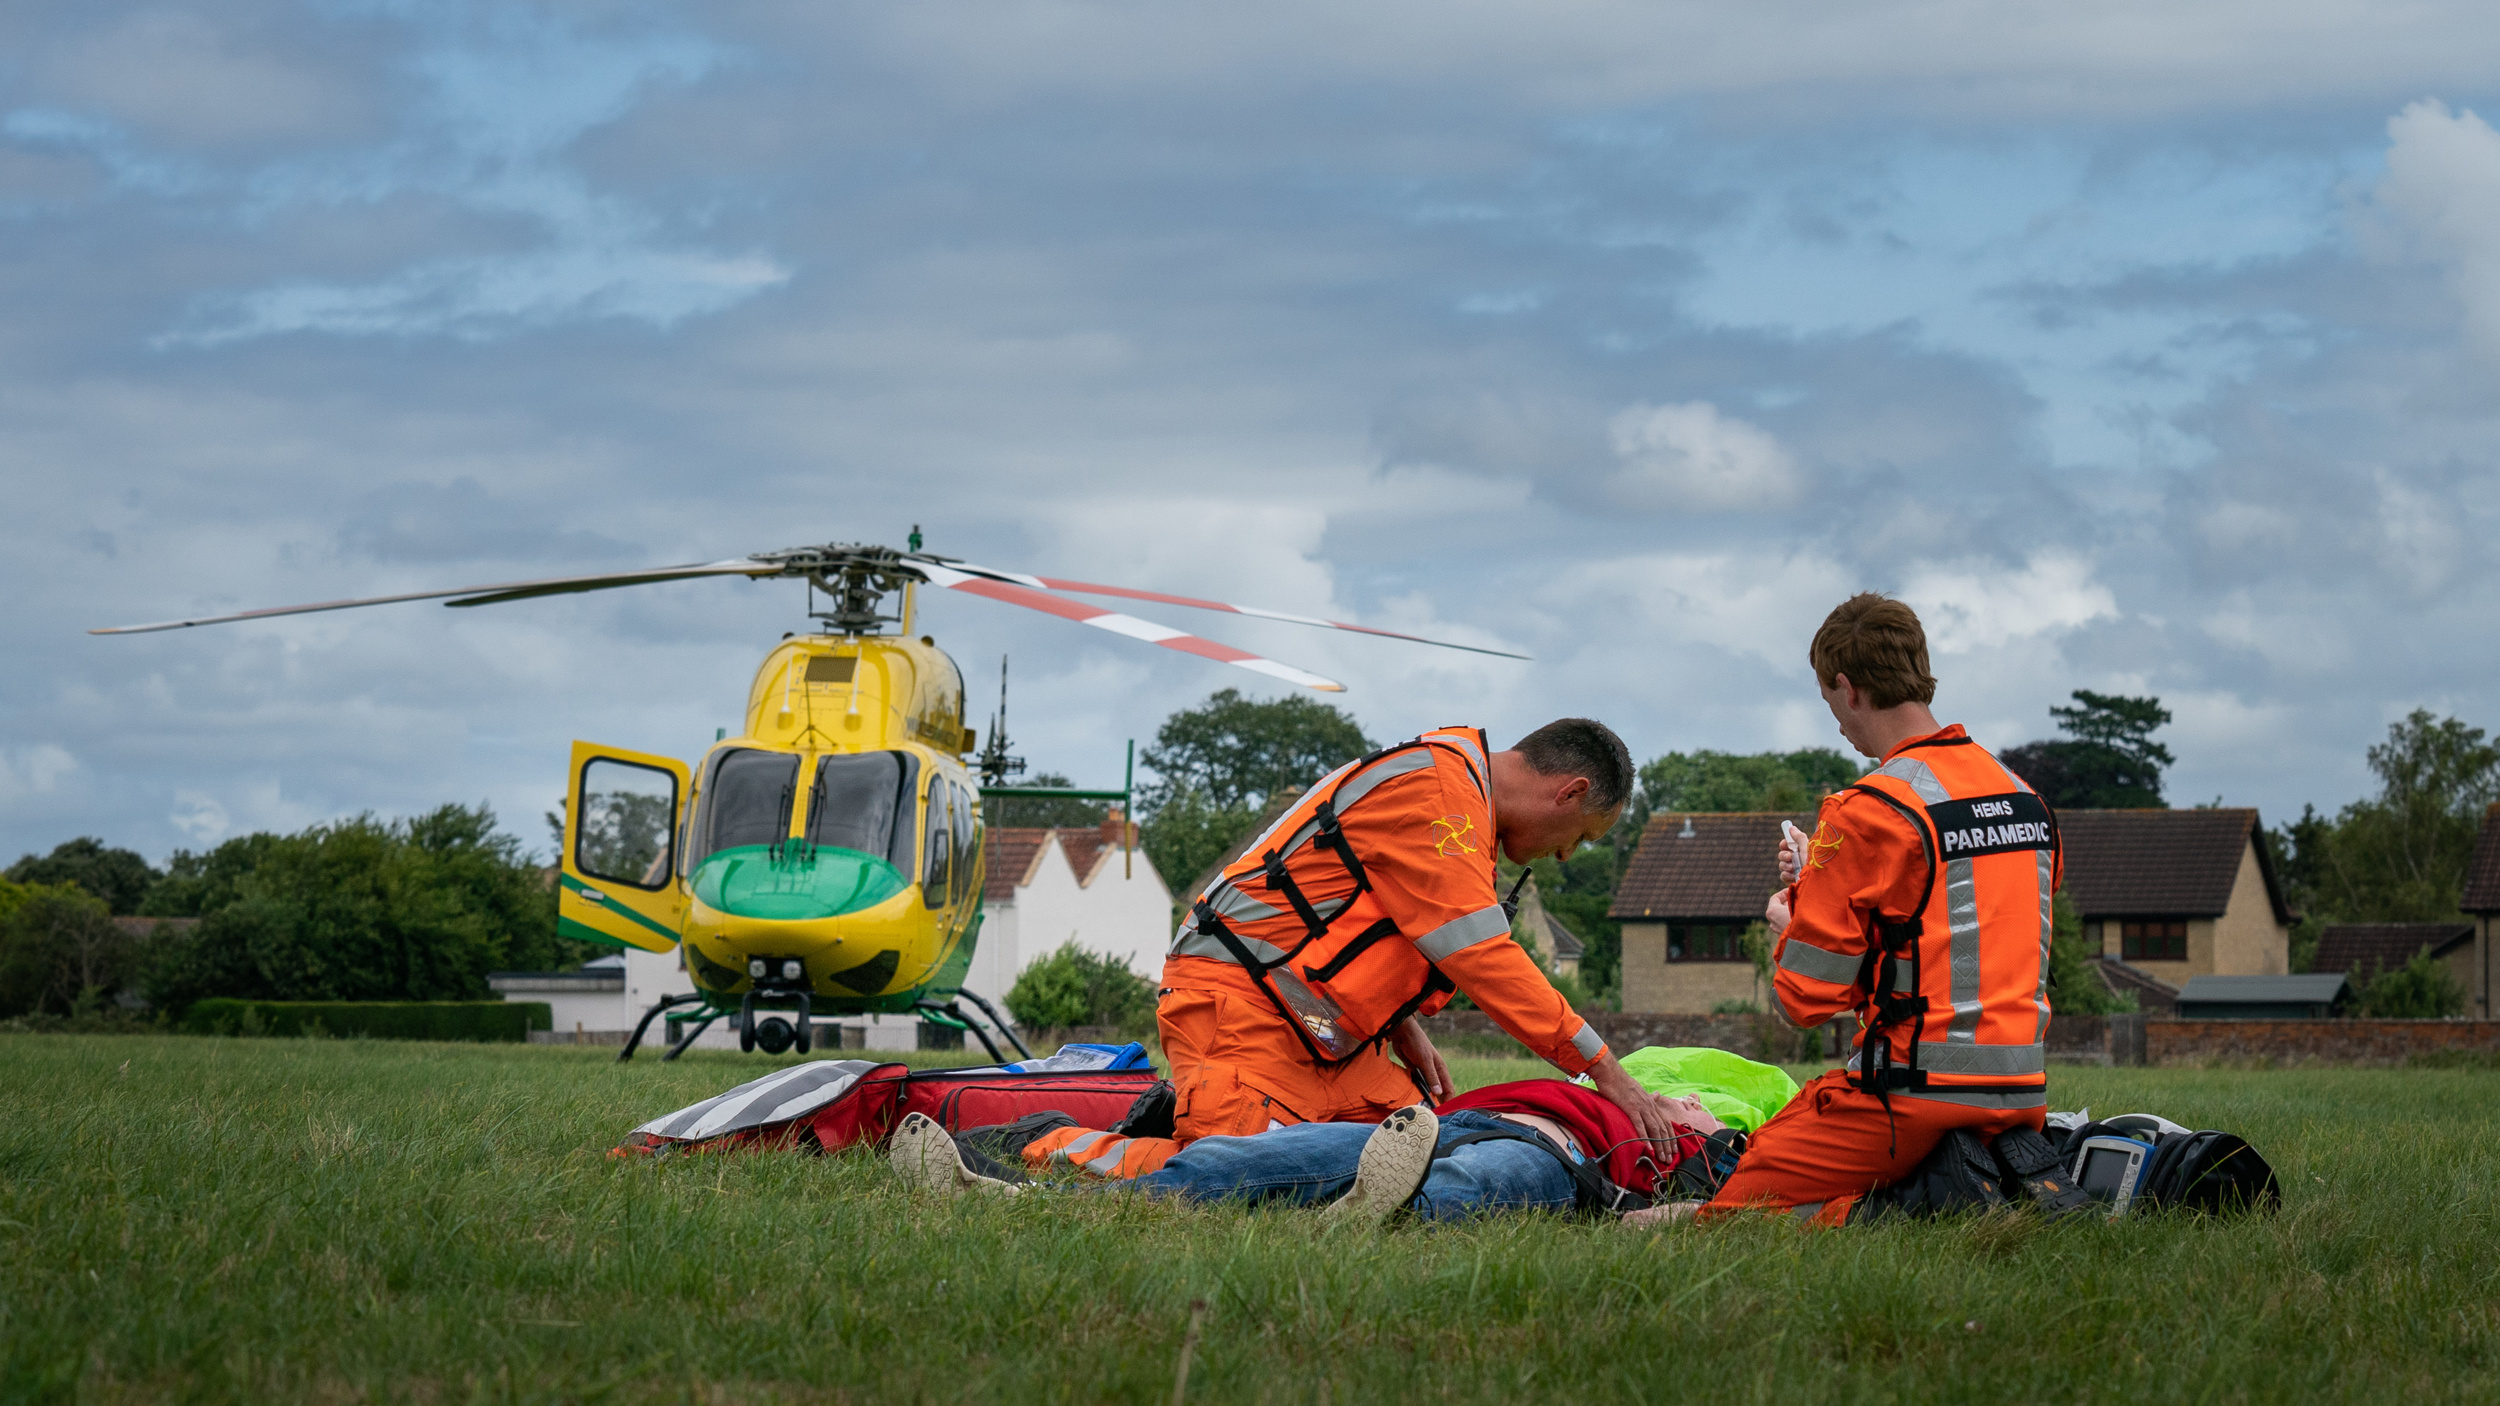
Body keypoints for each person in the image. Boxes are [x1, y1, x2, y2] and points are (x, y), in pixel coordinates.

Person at [1021, 719, 1692, 1179]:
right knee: (1247, 1172)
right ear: (1570, 792)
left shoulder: (1456, 802)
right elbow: (1484, 958)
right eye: (1582, 835)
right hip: (1240, 1006)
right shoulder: (1440, 798)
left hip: (1323, 1033)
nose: (1568, 854)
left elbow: (1375, 922)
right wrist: (1607, 1071)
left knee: (1412, 1156)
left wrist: (1404, 1028)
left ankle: (1188, 1113)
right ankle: (1046, 1147)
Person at [1693, 593, 2062, 1227]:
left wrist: (1791, 925)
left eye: (1831, 703)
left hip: (1909, 1096)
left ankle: (1898, 1215)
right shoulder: (2025, 799)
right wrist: (1823, 877)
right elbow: (1946, 938)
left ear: (1847, 687)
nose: (1838, 723)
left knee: (1732, 1205)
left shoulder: (1867, 811)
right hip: (2021, 1092)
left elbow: (1805, 1001)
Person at [891, 1073, 1727, 1221]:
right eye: (1681, 1095)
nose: (1680, 1101)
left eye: (1692, 1107)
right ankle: (1030, 1200)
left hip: (1551, 1160)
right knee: (1235, 1160)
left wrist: (1708, 1142)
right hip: (1425, 1124)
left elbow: (1746, 1193)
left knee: (1458, 1197)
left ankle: (1356, 1215)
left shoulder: (1676, 1152)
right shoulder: (1609, 1087)